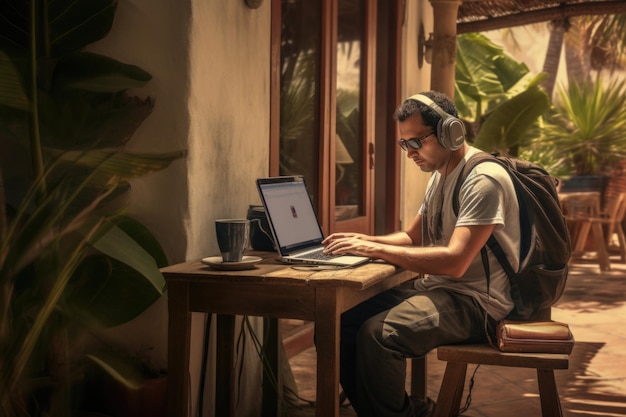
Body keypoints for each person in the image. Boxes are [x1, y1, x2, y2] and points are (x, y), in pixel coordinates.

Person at [322, 90, 520, 417]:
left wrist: (372, 248)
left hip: (479, 303)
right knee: (341, 323)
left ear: (450, 132)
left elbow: (455, 261)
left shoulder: (482, 180)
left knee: (380, 336)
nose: (410, 152)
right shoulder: (440, 175)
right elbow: (413, 237)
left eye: (417, 142)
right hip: (443, 290)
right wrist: (363, 240)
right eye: (405, 144)